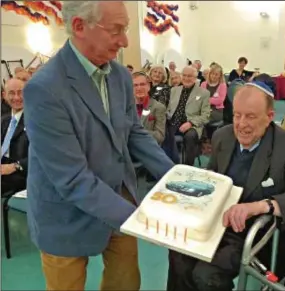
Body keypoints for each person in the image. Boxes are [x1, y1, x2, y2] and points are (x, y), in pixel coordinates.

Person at [23, 2, 174, 290]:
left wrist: (177, 175)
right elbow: (72, 177)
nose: (125, 41)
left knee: (126, 283)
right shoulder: (44, 89)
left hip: (119, 195)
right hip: (64, 214)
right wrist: (140, 219)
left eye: (126, 29)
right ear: (79, 26)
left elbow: (133, 133)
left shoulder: (118, 76)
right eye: (116, 30)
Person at [167, 82, 285, 291]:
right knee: (178, 254)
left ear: (269, 116)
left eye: (250, 116)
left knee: (206, 275)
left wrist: (259, 206)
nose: (241, 124)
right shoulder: (223, 136)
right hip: (219, 221)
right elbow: (211, 180)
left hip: (255, 232)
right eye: (237, 115)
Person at [166, 66, 210, 166]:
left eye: (189, 76)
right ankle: (168, 164)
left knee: (190, 136)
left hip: (192, 124)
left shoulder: (204, 93)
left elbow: (206, 115)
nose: (186, 78)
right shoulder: (174, 90)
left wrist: (190, 123)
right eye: (184, 75)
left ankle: (188, 166)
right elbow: (168, 109)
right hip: (173, 122)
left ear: (195, 78)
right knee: (162, 133)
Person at [1, 78, 28, 196]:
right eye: (11, 93)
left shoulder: (37, 120)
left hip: (20, 172)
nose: (17, 98)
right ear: (4, 95)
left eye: (20, 92)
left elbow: (42, 155)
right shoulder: (4, 120)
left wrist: (15, 166)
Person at [132, 71, 166, 144]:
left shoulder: (158, 107)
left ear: (148, 86)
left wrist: (138, 132)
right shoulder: (126, 107)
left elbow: (160, 136)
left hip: (148, 148)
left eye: (142, 84)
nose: (139, 88)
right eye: (135, 85)